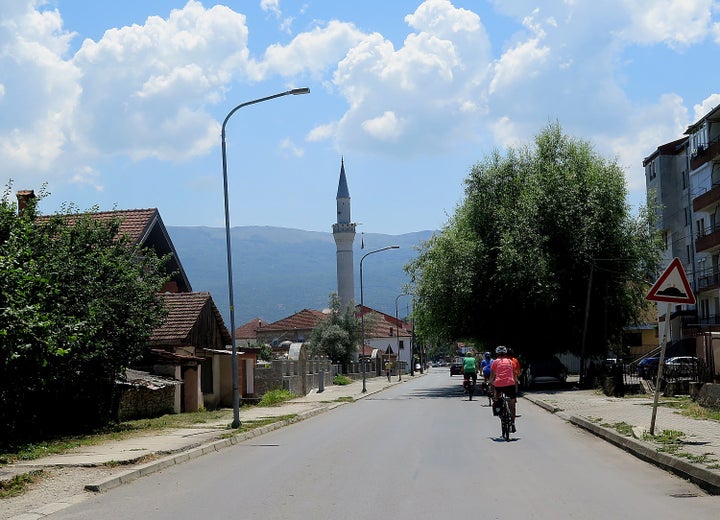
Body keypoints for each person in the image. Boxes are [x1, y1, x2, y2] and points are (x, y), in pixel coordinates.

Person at [489, 346, 519, 433]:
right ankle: (512, 423)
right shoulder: (510, 362)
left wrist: (490, 383)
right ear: (506, 354)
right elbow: (515, 376)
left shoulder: (495, 362)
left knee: (496, 399)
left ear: (497, 354)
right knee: (512, 403)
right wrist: (516, 384)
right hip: (510, 384)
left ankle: (500, 412)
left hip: (499, 384)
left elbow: (492, 376)